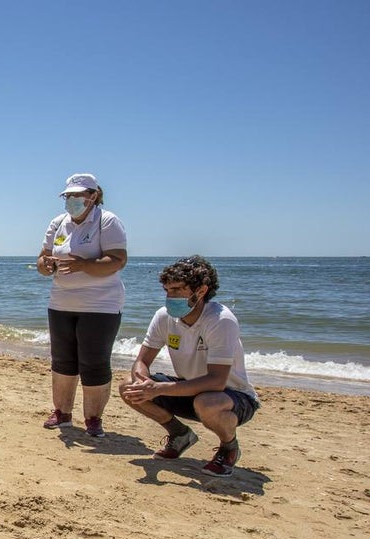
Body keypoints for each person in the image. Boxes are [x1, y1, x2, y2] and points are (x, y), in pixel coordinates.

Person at [119, 256, 260, 477]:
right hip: (189, 390)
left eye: (177, 290)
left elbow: (217, 381)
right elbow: (142, 362)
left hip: (232, 397)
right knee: (128, 386)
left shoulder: (220, 320)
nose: (170, 297)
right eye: (167, 290)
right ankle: (180, 434)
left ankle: (229, 448)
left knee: (207, 402)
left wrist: (159, 389)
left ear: (201, 291)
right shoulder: (164, 316)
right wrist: (142, 382)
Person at [35, 172, 129, 438]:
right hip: (61, 301)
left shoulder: (106, 221)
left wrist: (83, 265)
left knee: (94, 362)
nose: (72, 200)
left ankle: (93, 419)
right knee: (63, 360)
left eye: (78, 195)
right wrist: (46, 265)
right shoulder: (58, 223)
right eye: (68, 196)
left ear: (93, 196)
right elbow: (42, 259)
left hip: (100, 304)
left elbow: (118, 260)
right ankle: (62, 413)